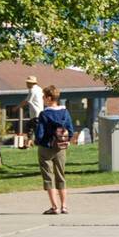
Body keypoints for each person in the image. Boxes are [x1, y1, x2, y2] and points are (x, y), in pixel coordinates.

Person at [34, 85, 75, 214]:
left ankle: (54, 207)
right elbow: (71, 130)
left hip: (46, 148)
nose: (42, 98)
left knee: (48, 177)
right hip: (60, 147)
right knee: (61, 176)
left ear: (49, 98)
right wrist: (66, 140)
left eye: (44, 96)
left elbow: (40, 134)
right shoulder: (65, 112)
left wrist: (37, 141)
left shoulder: (44, 114)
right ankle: (64, 206)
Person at [20, 75, 44, 149]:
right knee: (30, 128)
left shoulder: (32, 90)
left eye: (28, 83)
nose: (27, 84)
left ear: (32, 83)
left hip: (35, 113)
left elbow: (27, 100)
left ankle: (37, 143)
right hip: (39, 112)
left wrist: (17, 107)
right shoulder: (40, 89)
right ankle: (29, 143)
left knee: (35, 129)